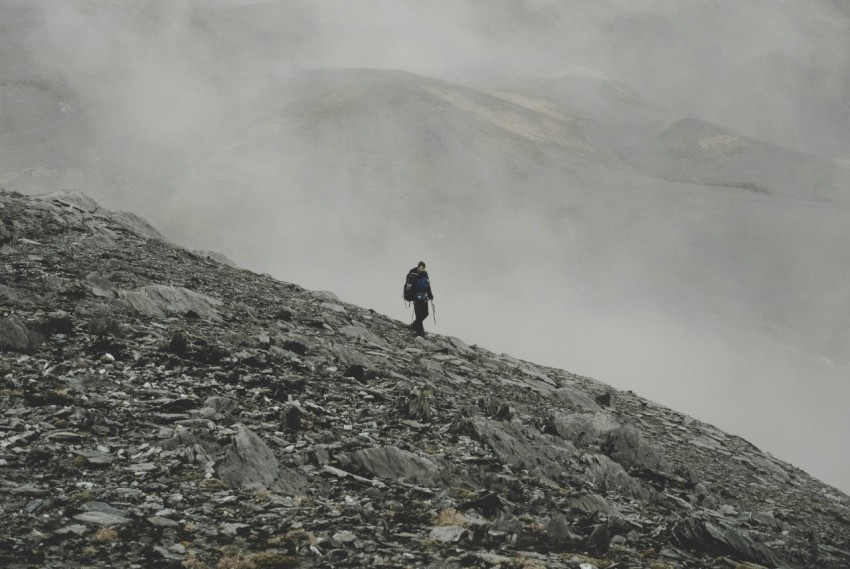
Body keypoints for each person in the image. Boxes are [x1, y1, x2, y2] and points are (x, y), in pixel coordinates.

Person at [407, 261, 433, 337]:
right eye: (421, 268)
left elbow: (428, 286)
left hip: (424, 297)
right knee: (419, 315)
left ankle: (414, 325)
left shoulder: (425, 274)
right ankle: (419, 333)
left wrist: (430, 294)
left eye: (424, 268)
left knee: (425, 313)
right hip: (416, 298)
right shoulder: (413, 275)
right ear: (418, 267)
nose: (423, 270)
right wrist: (413, 296)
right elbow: (410, 287)